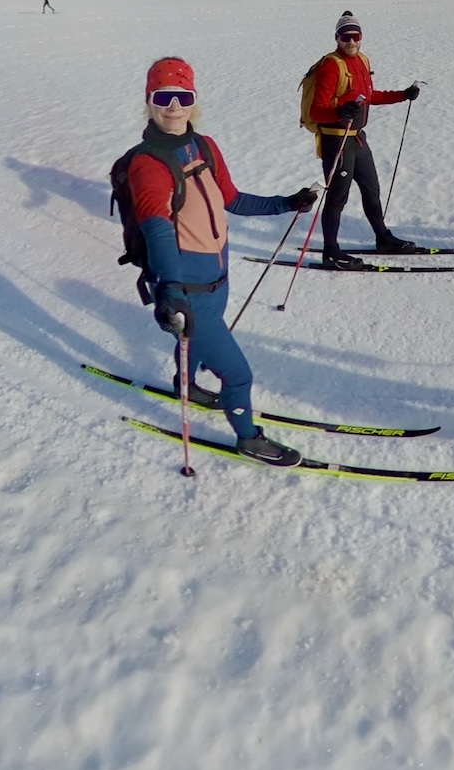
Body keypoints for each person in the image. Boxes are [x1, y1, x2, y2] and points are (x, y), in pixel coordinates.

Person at [122, 57, 318, 464]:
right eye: (163, 97)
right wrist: (171, 290)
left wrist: (285, 203)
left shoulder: (205, 146)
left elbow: (232, 199)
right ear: (148, 102)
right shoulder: (146, 164)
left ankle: (187, 385)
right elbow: (157, 230)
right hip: (187, 287)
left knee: (192, 341)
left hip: (218, 277)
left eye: (183, 96)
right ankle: (249, 438)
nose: (173, 107)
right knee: (238, 373)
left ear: (194, 101)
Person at [303, 11, 422, 268]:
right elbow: (316, 110)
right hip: (337, 143)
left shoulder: (362, 60)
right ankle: (331, 251)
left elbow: (369, 95)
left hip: (357, 140)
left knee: (372, 191)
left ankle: (383, 238)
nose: (351, 41)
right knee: (337, 197)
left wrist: (402, 95)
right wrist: (339, 112)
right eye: (346, 36)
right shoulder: (331, 66)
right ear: (337, 38)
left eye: (356, 36)